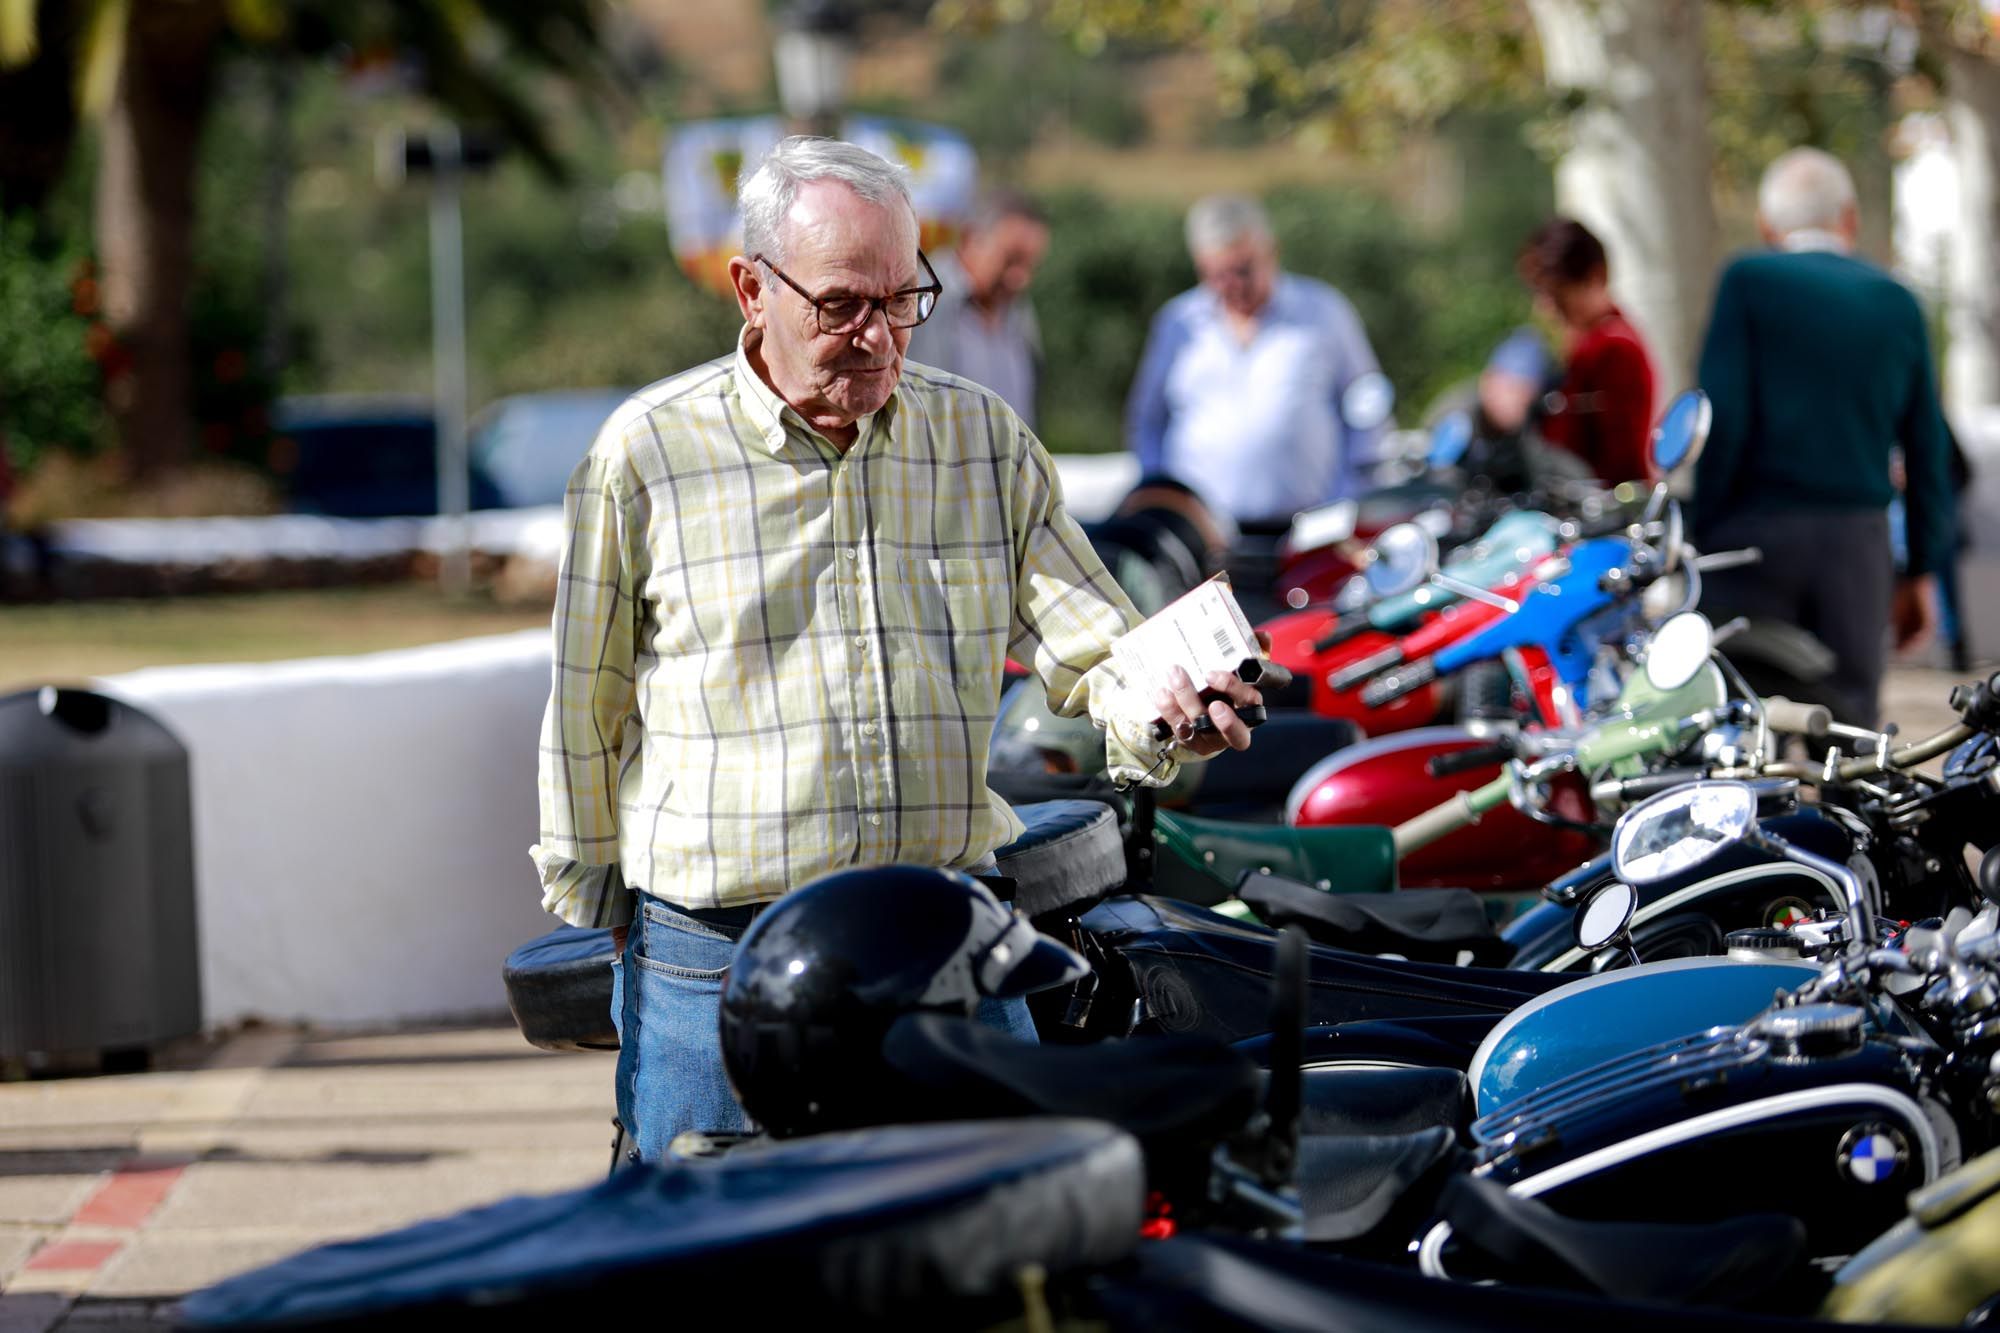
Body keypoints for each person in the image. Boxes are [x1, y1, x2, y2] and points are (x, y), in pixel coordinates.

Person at [530, 137, 1262, 1162]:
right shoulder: (646, 453)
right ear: (750, 289)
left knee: (994, 1268)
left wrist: (1172, 702)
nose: (877, 335)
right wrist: (607, 911)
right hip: (715, 962)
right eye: (839, 304)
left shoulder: (982, 442)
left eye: (902, 298)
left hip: (944, 952)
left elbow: (1095, 646)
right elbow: (585, 704)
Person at [1693, 146, 1955, 725]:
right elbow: (1928, 450)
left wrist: (1701, 528)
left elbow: (1722, 421)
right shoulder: (1896, 301)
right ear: (1851, 218)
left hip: (1751, 540)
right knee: (1850, 726)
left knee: (1741, 718)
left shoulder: (1749, 280)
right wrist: (1920, 569)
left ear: (1767, 226)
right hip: (1857, 546)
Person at [1125, 193, 1385, 527]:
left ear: (1272, 251)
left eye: (1243, 270)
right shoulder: (1177, 323)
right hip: (1205, 537)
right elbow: (1147, 420)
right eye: (1215, 275)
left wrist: (1349, 496)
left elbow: (1367, 406)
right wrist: (1163, 498)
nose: (1231, 286)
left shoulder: (1324, 311)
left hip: (1309, 531)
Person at [1516, 217, 1657, 485]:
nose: (1546, 309)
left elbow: (1619, 462)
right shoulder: (1590, 342)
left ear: (1595, 277)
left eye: (1557, 296)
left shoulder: (1613, 348)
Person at [907, 188, 1049, 427]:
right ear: (970, 238)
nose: (1021, 279)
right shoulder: (920, 299)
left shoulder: (1019, 312)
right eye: (1011, 260)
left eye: (1030, 266)